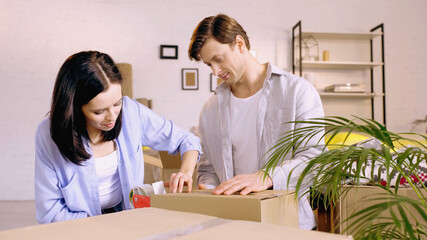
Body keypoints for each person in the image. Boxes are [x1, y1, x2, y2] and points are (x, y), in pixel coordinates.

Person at [188, 14, 324, 230]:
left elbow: (315, 160)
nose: (215, 71)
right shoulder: (210, 109)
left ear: (239, 44)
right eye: (208, 65)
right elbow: (208, 169)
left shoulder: (297, 91)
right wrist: (208, 188)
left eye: (219, 59)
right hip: (232, 228)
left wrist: (268, 177)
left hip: (289, 225)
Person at [35, 51, 201, 224]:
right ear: (75, 107)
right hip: (79, 225)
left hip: (127, 215)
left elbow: (186, 140)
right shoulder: (48, 135)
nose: (112, 117)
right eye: (98, 111)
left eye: (117, 103)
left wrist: (185, 172)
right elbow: (50, 212)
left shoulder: (131, 112)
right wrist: (105, 228)